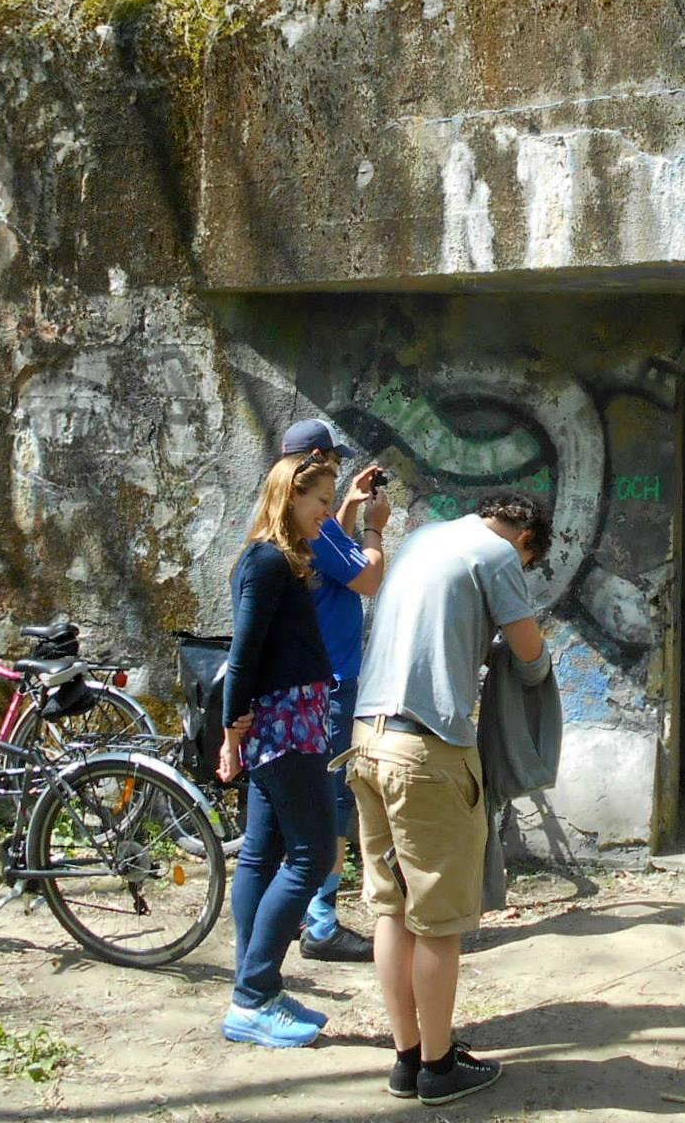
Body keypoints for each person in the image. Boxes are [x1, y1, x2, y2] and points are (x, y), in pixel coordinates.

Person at [349, 489, 553, 1105]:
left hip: (365, 741)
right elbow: (529, 654)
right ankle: (439, 1069)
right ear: (525, 539)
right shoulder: (495, 555)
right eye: (529, 564)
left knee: (392, 909)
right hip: (429, 752)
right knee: (438, 921)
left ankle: (407, 1057)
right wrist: (536, 665)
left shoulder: (424, 537)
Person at [218, 451, 344, 1047]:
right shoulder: (267, 562)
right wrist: (230, 732)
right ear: (291, 496)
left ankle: (255, 987)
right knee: (312, 856)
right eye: (321, 501)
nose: (327, 513)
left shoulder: (281, 560)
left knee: (261, 855)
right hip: (285, 724)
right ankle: (252, 997)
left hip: (292, 720)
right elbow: (242, 655)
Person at [276, 417, 390, 962]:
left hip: (311, 676)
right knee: (334, 797)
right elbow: (366, 577)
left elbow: (332, 558)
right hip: (334, 680)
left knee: (304, 799)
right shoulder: (315, 532)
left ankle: (301, 910)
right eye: (331, 468)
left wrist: (345, 505)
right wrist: (375, 527)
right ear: (316, 460)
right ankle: (321, 920)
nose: (338, 472)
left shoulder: (297, 522)